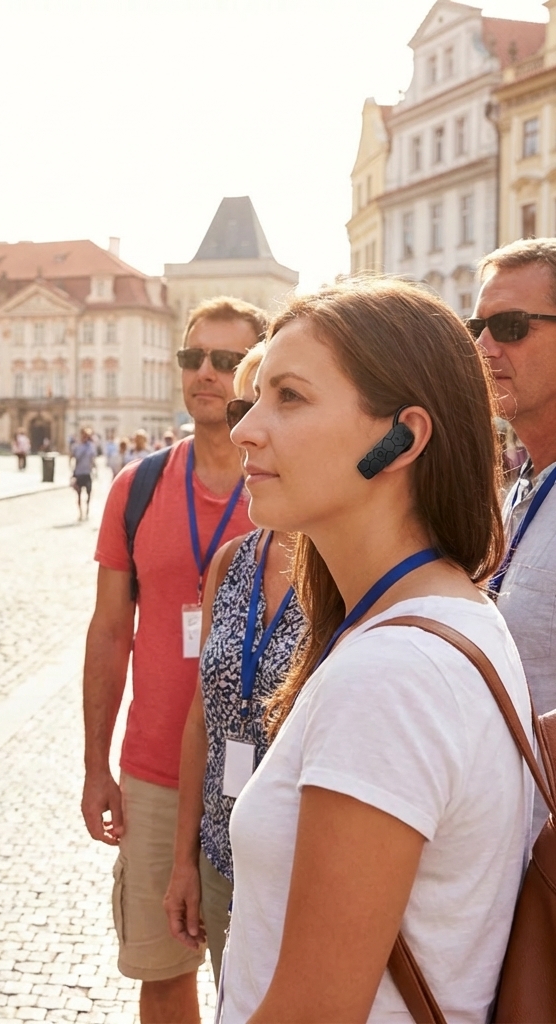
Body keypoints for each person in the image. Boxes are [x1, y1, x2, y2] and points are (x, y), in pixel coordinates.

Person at [219, 278, 532, 1021]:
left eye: (289, 397)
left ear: (403, 437)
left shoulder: (394, 676)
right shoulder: (454, 615)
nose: (246, 429)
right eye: (258, 396)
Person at [84, 297, 262, 1023]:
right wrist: (98, 763)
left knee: (259, 979)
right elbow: (107, 633)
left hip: (262, 770)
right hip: (154, 770)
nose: (206, 374)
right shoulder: (139, 486)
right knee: (162, 974)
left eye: (226, 360)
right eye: (194, 358)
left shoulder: (287, 485)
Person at [163, 343, 305, 983]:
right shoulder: (233, 562)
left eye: (282, 402)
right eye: (243, 405)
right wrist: (184, 858)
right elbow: (203, 720)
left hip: (300, 871)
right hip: (223, 854)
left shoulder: (349, 575)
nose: (243, 427)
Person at [472, 239, 556, 840]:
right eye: (478, 326)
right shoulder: (516, 487)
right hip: (497, 862)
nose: (483, 347)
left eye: (509, 326)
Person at [70, 427, 97, 520]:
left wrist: (95, 469)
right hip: (79, 472)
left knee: (89, 493)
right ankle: (81, 513)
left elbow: (93, 459)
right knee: (79, 494)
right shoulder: (76, 446)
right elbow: (72, 456)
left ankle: (87, 510)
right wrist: (71, 468)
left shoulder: (91, 446)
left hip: (87, 472)